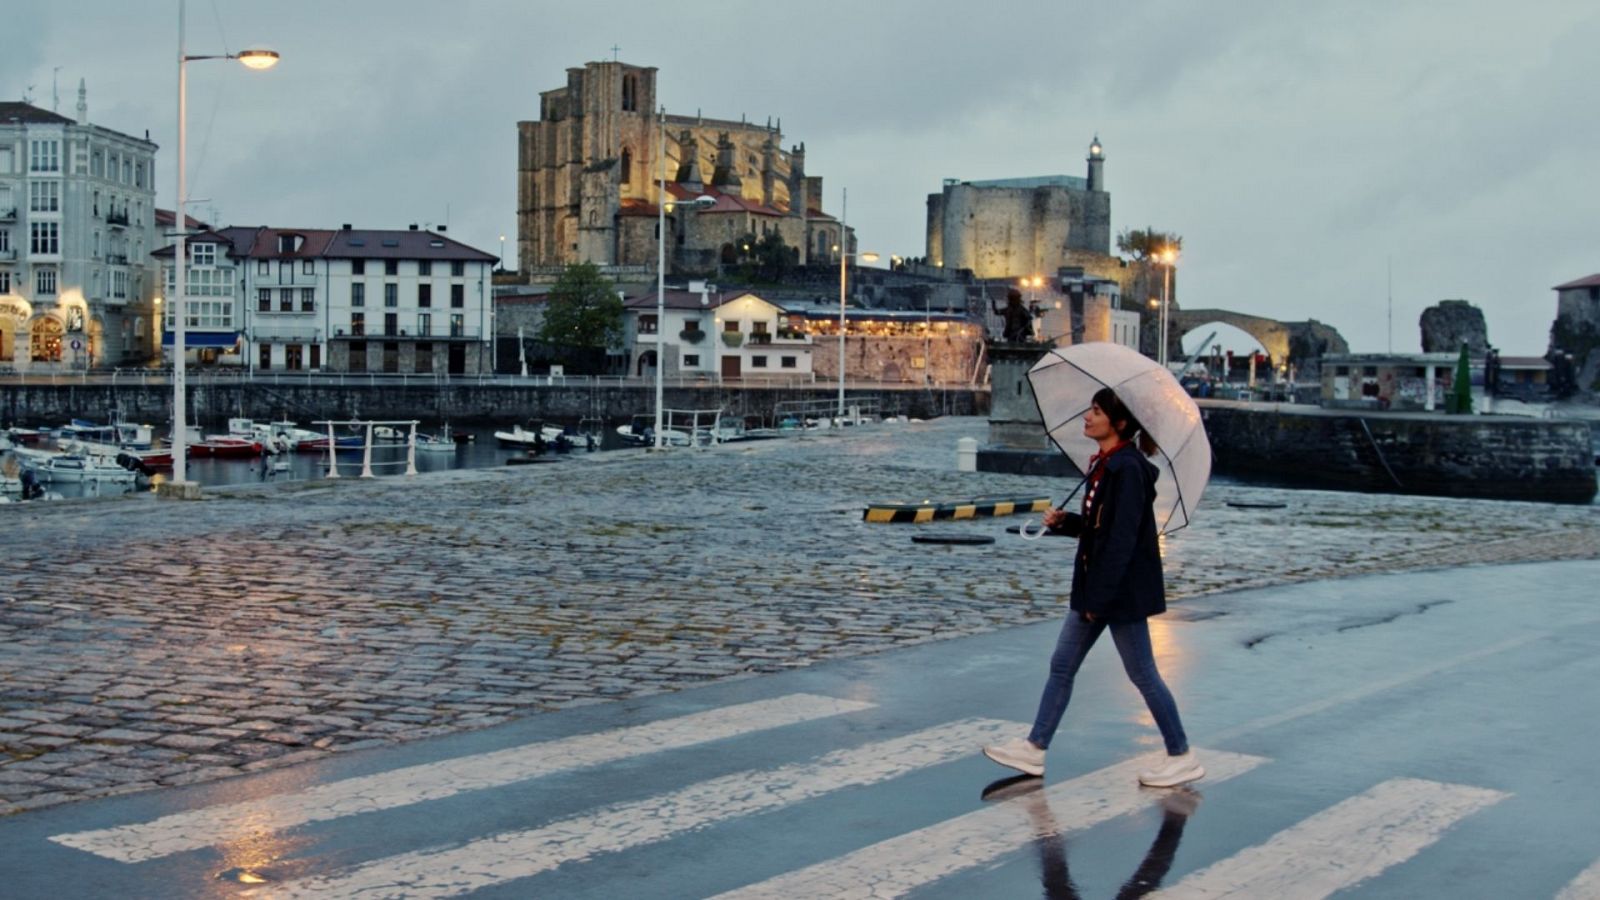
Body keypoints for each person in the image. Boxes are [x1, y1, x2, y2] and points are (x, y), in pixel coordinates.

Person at [984, 387, 1203, 788]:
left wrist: (1097, 601)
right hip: (1099, 588)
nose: (1087, 416)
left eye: (1096, 411)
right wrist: (1068, 523)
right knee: (1063, 664)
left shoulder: (1128, 471)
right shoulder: (1107, 465)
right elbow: (1103, 529)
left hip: (1116, 593)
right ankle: (1034, 748)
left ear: (1118, 423)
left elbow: (1122, 542)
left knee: (1142, 673)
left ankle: (1181, 754)